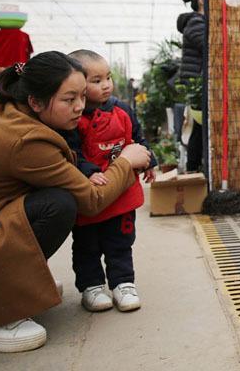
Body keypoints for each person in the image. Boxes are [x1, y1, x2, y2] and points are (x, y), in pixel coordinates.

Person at [0, 52, 151, 352]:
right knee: (59, 205)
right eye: (68, 99)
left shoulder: (17, 116)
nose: (80, 108)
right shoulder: (27, 141)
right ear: (35, 101)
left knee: (54, 199)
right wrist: (126, 162)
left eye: (82, 96)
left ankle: (11, 287)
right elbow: (91, 200)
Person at [62, 50, 157, 313]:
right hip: (90, 192)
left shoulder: (122, 109)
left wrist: (150, 161)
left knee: (121, 241)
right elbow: (70, 153)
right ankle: (91, 287)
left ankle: (123, 283)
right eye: (96, 80)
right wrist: (88, 170)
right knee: (86, 244)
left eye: (108, 77)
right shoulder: (72, 119)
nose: (106, 85)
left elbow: (137, 139)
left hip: (122, 191)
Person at [177, 0, 207, 173]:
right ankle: (194, 168)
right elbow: (210, 46)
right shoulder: (196, 23)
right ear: (202, 1)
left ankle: (193, 168)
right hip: (197, 83)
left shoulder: (197, 22)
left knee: (199, 127)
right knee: (200, 127)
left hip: (197, 82)